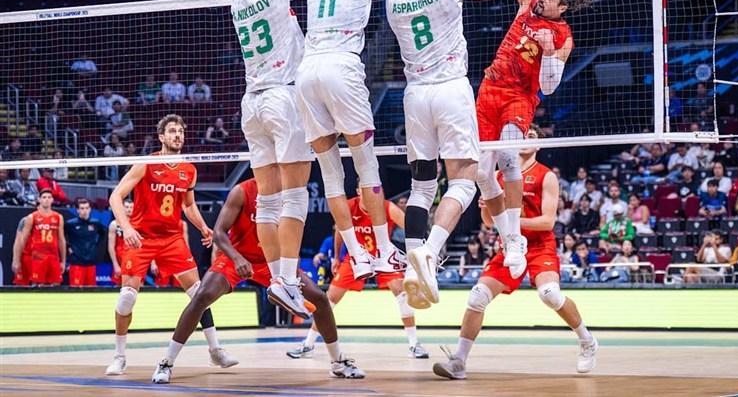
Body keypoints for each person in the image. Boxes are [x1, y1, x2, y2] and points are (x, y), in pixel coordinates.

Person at [295, 0, 431, 283]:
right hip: (341, 66)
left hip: (307, 70)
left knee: (330, 174)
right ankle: (385, 251)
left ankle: (356, 255)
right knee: (365, 163)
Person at [231, 0, 338, 320]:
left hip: (251, 104)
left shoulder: (238, 0)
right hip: (282, 95)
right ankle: (289, 280)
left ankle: (277, 279)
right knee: (296, 195)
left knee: (267, 201)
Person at [463, 0, 592, 284]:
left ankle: (515, 239)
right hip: (489, 89)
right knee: (481, 173)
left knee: (508, 157)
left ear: (562, 8)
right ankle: (510, 237)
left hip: (519, 98)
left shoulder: (564, 37)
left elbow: (548, 87)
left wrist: (548, 52)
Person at [385, 0, 503, 309]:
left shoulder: (393, 0)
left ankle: (413, 266)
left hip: (415, 95)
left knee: (421, 186)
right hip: (450, 89)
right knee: (465, 182)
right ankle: (430, 251)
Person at [151, 178, 366, 383]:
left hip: (272, 261)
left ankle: (338, 362)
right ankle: (166, 362)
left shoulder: (291, 192)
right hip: (237, 257)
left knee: (319, 297)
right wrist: (237, 258)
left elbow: (292, 235)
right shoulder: (242, 191)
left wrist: (292, 263)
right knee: (202, 296)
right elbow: (219, 233)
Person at [432, 125, 597, 380]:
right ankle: (459, 361)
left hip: (539, 246)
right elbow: (489, 221)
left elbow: (548, 222)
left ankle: (587, 340)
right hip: (508, 247)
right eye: (522, 135)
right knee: (477, 297)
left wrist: (509, 222)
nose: (525, 139)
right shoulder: (497, 176)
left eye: (532, 136)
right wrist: (486, 209)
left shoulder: (546, 176)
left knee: (550, 294)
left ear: (539, 145)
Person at [104, 114, 237, 376]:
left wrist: (203, 227)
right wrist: (127, 228)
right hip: (142, 238)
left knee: (199, 293)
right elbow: (115, 197)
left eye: (181, 131)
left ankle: (215, 350)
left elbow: (189, 205)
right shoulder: (146, 164)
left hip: (172, 238)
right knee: (127, 298)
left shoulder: (189, 170)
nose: (178, 135)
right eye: (173, 131)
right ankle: (119, 356)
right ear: (161, 137)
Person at [287, 186, 429, 360]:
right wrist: (336, 258)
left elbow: (411, 229)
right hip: (356, 257)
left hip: (383, 256)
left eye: (376, 189)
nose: (372, 191)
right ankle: (308, 344)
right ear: (359, 191)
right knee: (329, 299)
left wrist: (422, 250)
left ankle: (414, 344)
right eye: (366, 188)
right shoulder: (349, 206)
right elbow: (340, 232)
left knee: (402, 294)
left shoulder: (388, 207)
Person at [12, 189, 66, 286]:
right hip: (38, 256)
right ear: (39, 199)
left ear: (52, 200)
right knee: (37, 285)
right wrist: (16, 260)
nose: (47, 199)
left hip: (53, 256)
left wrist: (63, 261)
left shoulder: (58, 217)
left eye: (49, 197)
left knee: (56, 285)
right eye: (44, 197)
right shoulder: (31, 217)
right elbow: (21, 240)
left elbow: (61, 240)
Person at [65, 198, 104, 286]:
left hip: (91, 261)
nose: (84, 211)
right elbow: (63, 236)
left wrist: (94, 244)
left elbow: (102, 234)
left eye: (86, 208)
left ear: (90, 209)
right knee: (75, 289)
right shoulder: (70, 224)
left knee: (91, 289)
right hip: (76, 261)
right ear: (77, 210)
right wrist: (69, 246)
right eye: (82, 208)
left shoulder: (96, 223)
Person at [108, 198, 134, 286]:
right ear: (122, 208)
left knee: (137, 286)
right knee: (119, 287)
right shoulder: (115, 224)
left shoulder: (138, 224)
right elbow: (111, 246)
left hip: (135, 260)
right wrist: (115, 265)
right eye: (127, 207)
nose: (129, 209)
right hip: (120, 260)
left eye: (131, 207)